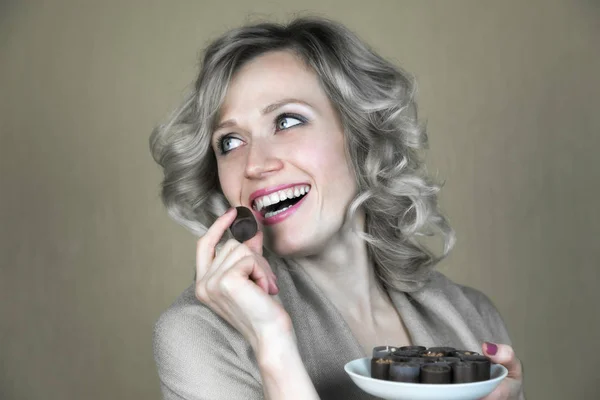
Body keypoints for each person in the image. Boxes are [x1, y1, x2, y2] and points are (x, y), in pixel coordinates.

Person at [149, 17, 524, 400]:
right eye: (229, 142)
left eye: (287, 120)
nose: (254, 164)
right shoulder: (199, 334)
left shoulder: (472, 318)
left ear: (362, 135)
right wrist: (273, 347)